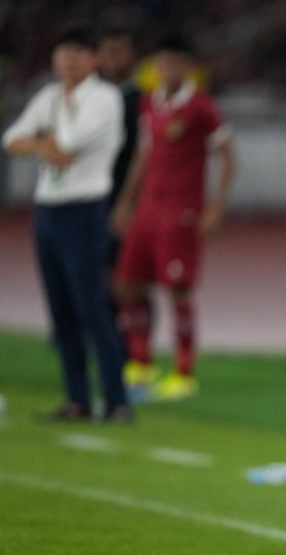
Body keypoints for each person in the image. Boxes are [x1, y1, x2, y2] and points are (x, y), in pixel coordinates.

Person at [2, 23, 131, 422]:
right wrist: (45, 144)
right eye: (63, 53)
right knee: (60, 311)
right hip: (48, 209)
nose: (69, 60)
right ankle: (76, 398)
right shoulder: (50, 96)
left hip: (84, 208)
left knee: (92, 307)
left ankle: (116, 400)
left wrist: (41, 141)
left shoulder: (104, 98)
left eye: (78, 52)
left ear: (93, 58)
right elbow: (11, 141)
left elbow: (69, 146)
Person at [112, 31, 235, 401]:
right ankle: (141, 364)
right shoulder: (150, 103)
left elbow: (229, 157)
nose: (168, 69)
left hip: (181, 212)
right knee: (129, 284)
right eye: (162, 63)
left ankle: (184, 373)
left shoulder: (201, 106)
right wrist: (125, 202)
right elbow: (144, 156)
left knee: (177, 290)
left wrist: (214, 207)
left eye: (176, 62)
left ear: (189, 67)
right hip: (148, 209)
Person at [96, 25, 141, 320]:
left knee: (127, 275)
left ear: (132, 56)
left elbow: (143, 155)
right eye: (107, 52)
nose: (112, 59)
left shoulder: (140, 100)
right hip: (92, 197)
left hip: (125, 199)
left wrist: (129, 202)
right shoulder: (91, 96)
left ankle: (133, 348)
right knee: (95, 271)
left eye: (118, 52)